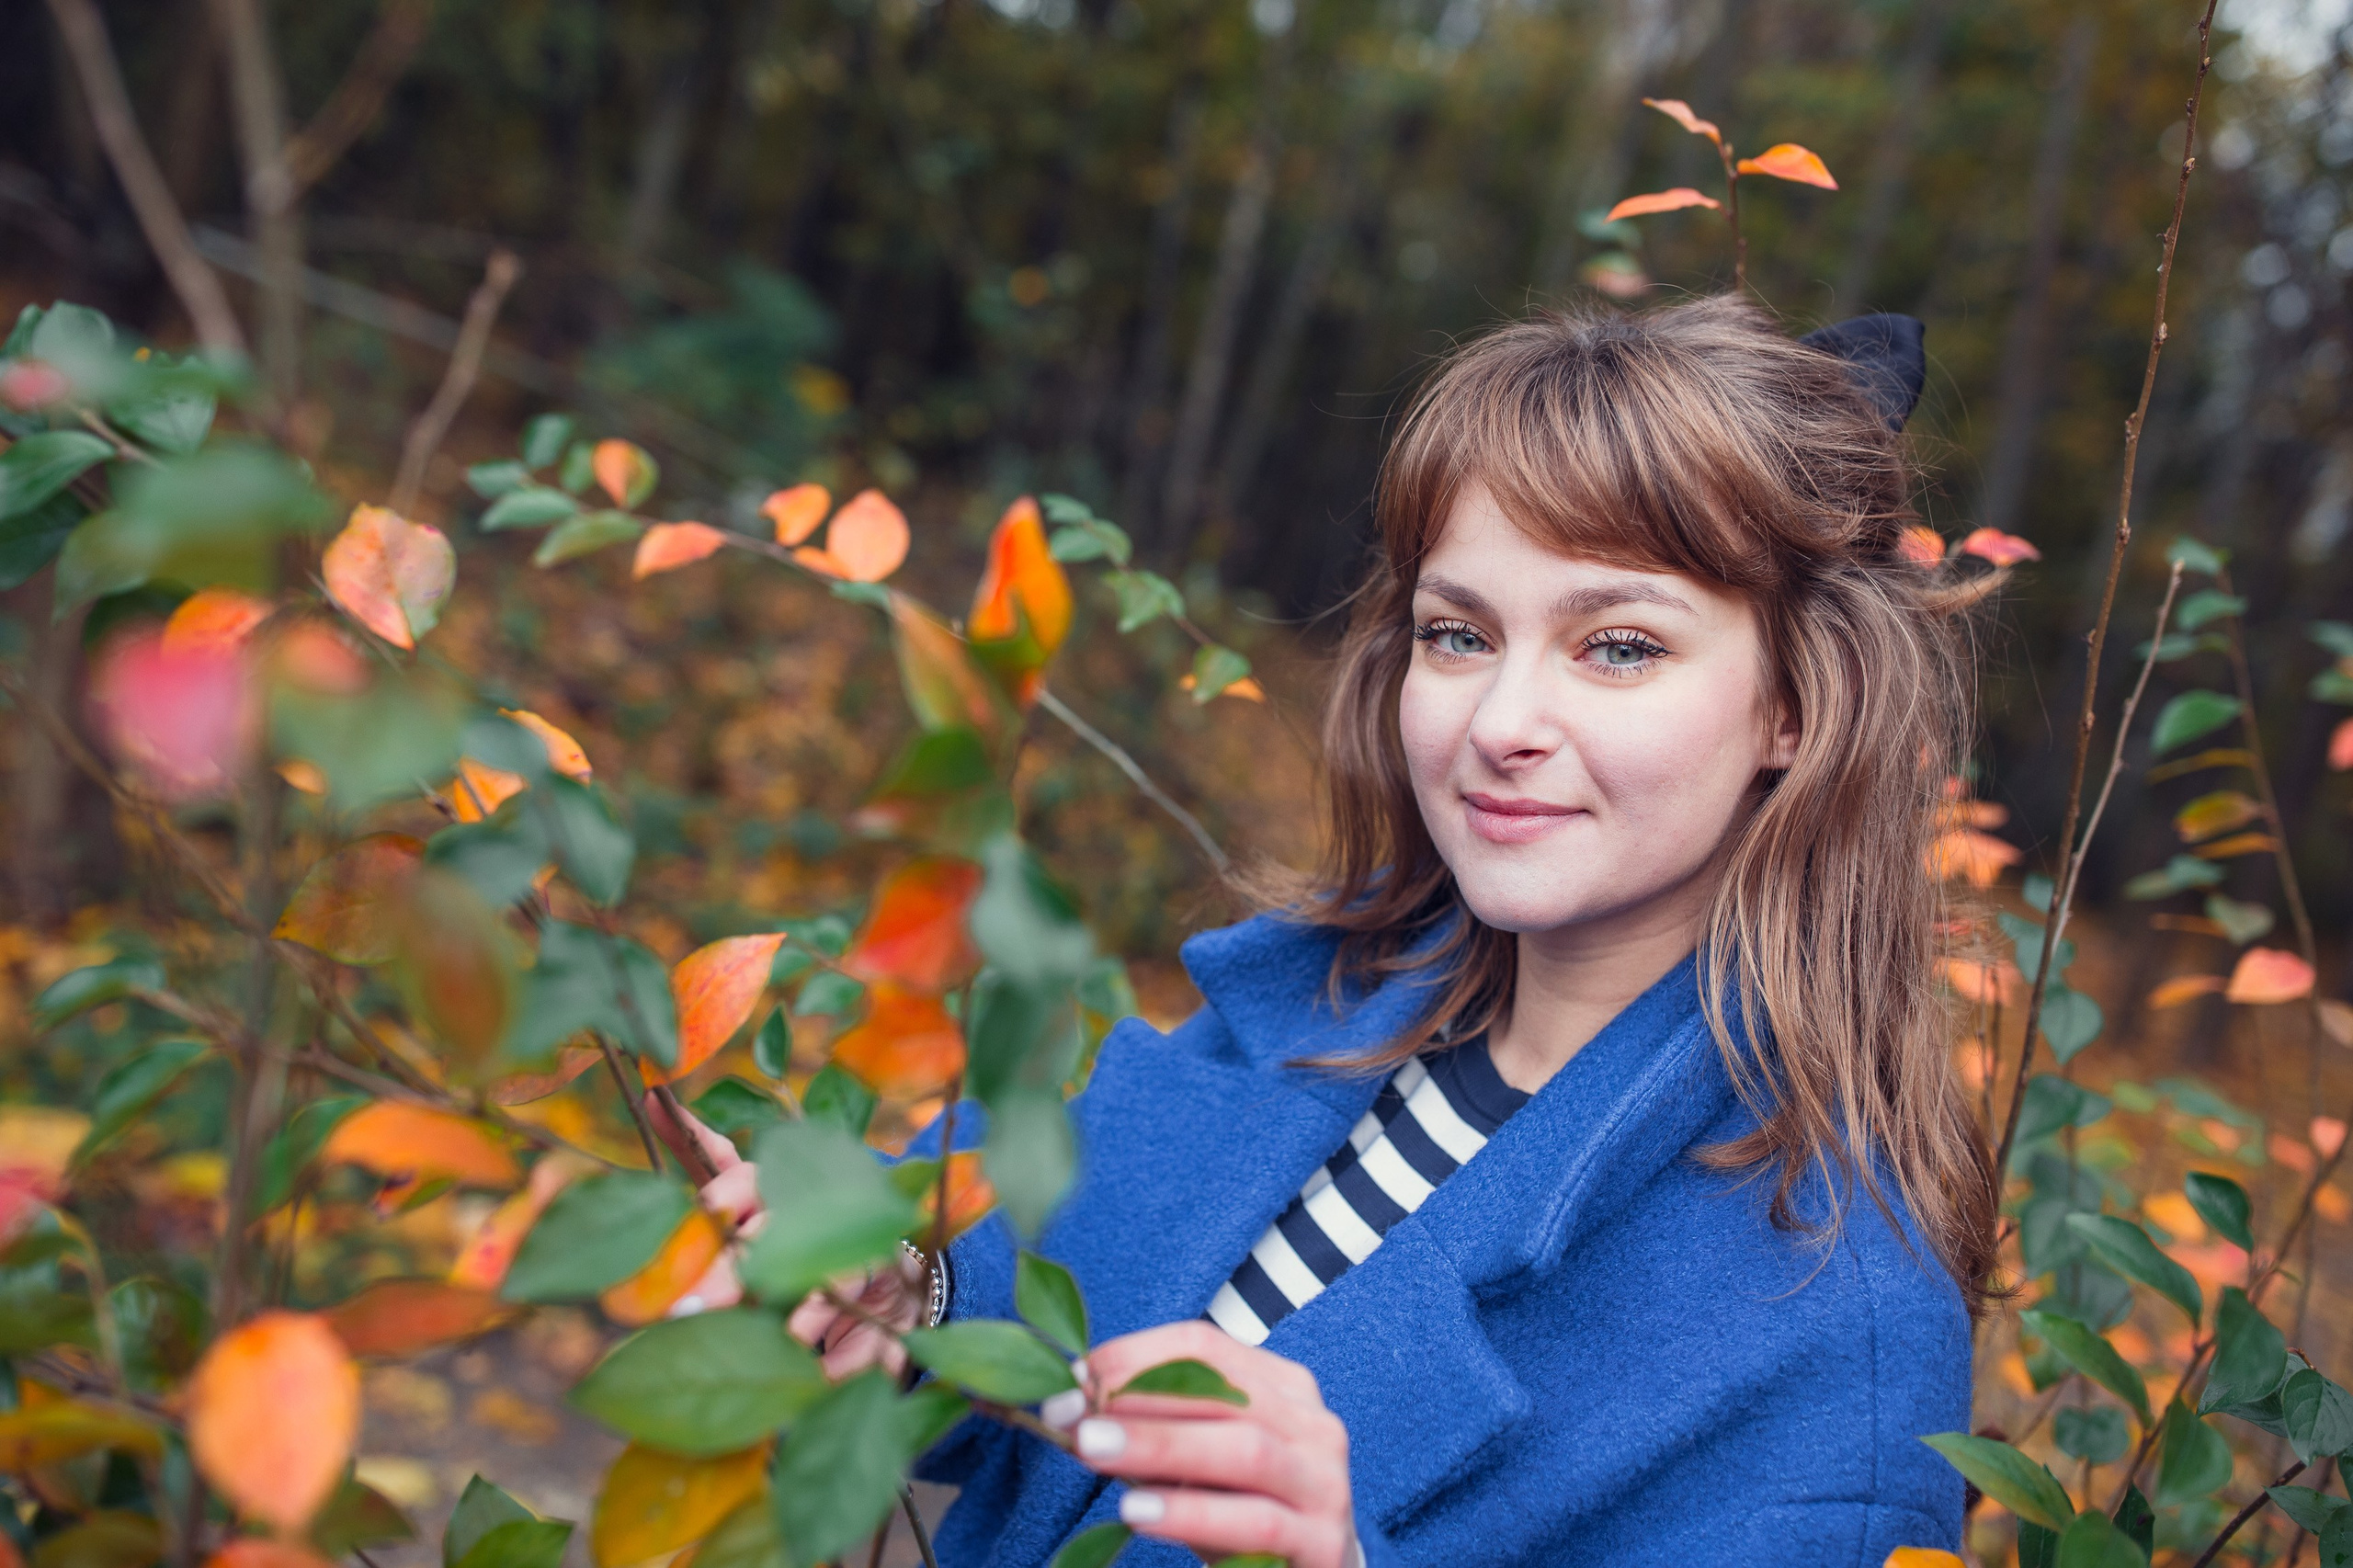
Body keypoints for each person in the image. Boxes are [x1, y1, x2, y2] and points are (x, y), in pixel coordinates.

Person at [664, 294, 1997, 1565]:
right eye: (1459, 633)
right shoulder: (1327, 997)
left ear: (1795, 709)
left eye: (1621, 646)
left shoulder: (1838, 1332)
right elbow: (1056, 1241)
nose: (1500, 721)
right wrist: (906, 1286)